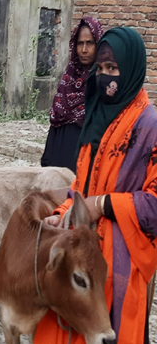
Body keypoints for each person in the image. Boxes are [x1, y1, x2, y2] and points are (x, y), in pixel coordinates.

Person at [39, 27, 157, 344]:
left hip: (119, 261)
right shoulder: (97, 116)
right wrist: (64, 212)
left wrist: (102, 205)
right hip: (82, 251)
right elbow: (83, 183)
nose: (105, 78)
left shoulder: (149, 127)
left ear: (131, 69)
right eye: (101, 69)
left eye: (113, 69)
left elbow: (155, 205)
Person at [40, 17, 103, 172]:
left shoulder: (102, 82)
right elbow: (56, 119)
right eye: (80, 43)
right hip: (60, 154)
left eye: (90, 43)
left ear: (99, 44)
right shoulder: (68, 79)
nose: (84, 50)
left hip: (87, 160)